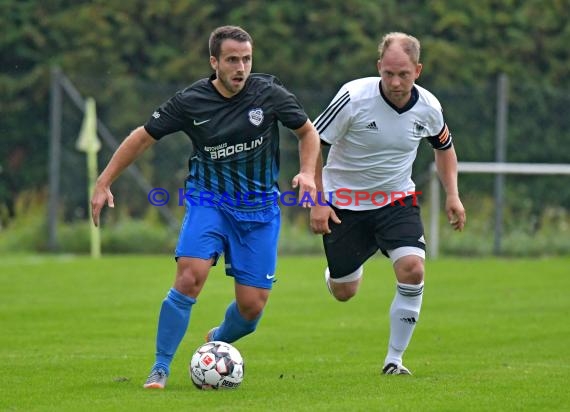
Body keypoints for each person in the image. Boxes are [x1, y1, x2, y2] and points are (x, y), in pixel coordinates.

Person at [91, 25, 320, 389]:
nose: (240, 67)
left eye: (246, 59)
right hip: (209, 200)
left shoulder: (270, 94)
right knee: (189, 277)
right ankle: (160, 368)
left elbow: (307, 132)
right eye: (232, 59)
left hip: (259, 211)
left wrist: (308, 173)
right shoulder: (190, 101)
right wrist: (104, 182)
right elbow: (142, 137)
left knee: (251, 309)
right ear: (214, 62)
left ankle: (218, 338)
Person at [310, 32, 466, 375]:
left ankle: (394, 360)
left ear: (418, 70)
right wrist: (316, 199)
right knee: (344, 291)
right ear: (379, 67)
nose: (395, 82)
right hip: (345, 204)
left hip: (396, 199)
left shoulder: (429, 107)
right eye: (389, 73)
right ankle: (342, 271)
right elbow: (312, 143)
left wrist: (452, 194)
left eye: (404, 74)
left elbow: (444, 150)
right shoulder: (353, 97)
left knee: (413, 269)